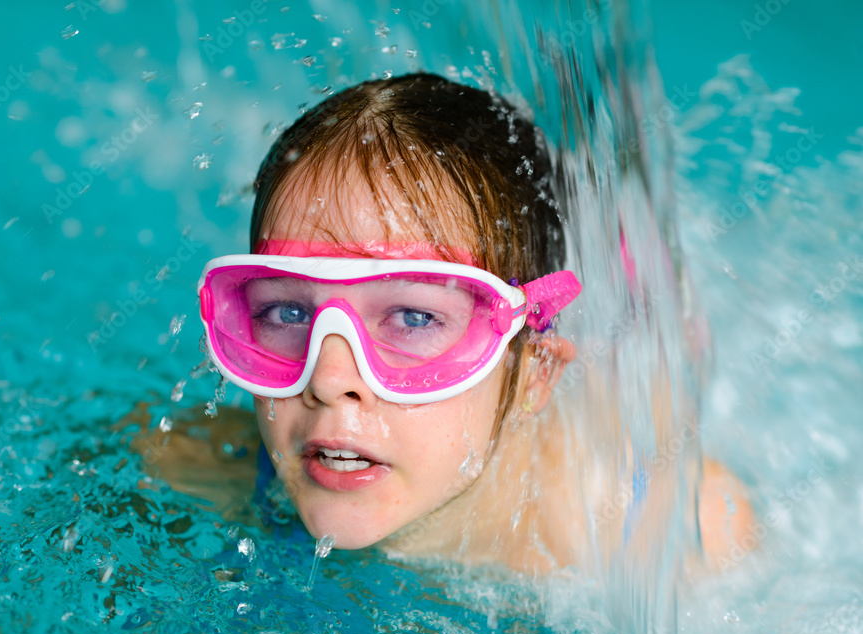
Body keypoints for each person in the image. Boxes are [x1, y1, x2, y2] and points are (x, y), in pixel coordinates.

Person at [150, 72, 753, 573]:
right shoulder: (199, 467)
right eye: (287, 311)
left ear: (535, 374)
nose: (330, 377)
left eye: (413, 317)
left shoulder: (660, 531)